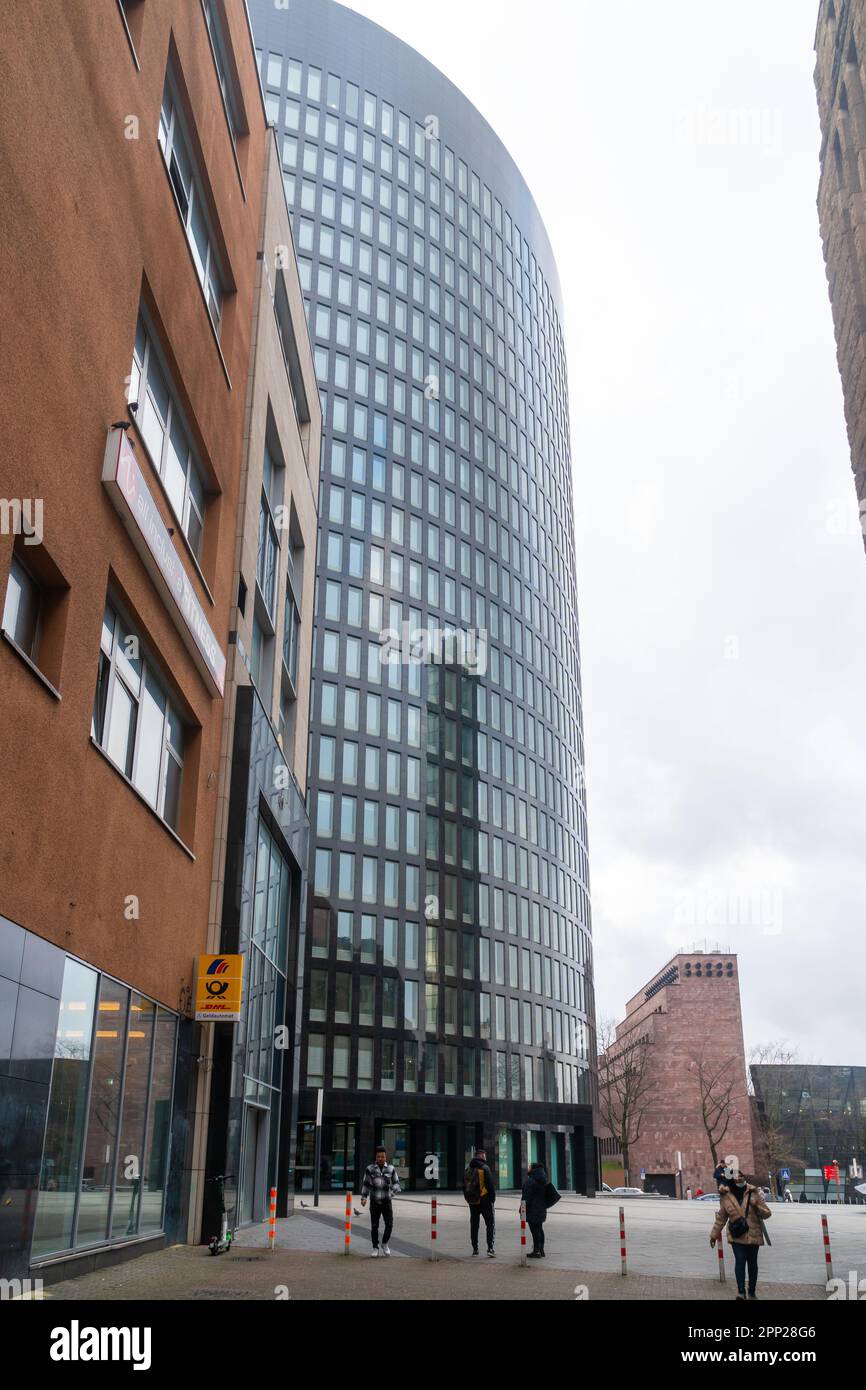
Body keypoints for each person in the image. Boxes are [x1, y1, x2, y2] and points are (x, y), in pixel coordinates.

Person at [709, 1166, 772, 1300]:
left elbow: (767, 1213)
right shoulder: (726, 1197)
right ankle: (741, 1292)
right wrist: (713, 1235)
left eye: (742, 1176)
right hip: (737, 1235)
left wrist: (757, 1206)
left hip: (754, 1234)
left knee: (753, 1264)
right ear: (732, 1180)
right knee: (740, 1261)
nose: (740, 1178)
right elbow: (721, 1218)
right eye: (737, 1177)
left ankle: (752, 1292)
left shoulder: (754, 1193)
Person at [360, 1144, 401, 1256]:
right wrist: (364, 1197)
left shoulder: (391, 1169)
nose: (380, 1159)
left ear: (385, 1157)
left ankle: (385, 1243)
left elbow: (397, 1184)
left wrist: (391, 1193)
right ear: (376, 1157)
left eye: (382, 1156)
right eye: (378, 1156)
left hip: (387, 1202)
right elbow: (366, 1184)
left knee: (389, 1224)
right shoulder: (370, 1169)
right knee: (374, 1225)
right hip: (374, 1201)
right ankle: (375, 1247)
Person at [463, 1146, 496, 1257]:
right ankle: (490, 1248)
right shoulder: (485, 1168)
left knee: (474, 1225)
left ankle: (475, 1249)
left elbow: (464, 1186)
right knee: (490, 1224)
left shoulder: (468, 1168)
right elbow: (491, 1186)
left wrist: (468, 1199)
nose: (485, 1157)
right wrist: (493, 1199)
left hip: (473, 1201)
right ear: (481, 1156)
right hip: (485, 1200)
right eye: (484, 1155)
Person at [520, 1162, 549, 1258]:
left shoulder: (531, 1181)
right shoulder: (543, 1180)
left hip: (532, 1209)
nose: (528, 1168)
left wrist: (522, 1208)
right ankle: (541, 1250)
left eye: (529, 1167)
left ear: (533, 1169)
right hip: (541, 1208)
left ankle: (536, 1251)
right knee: (539, 1229)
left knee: (535, 1231)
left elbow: (526, 1197)